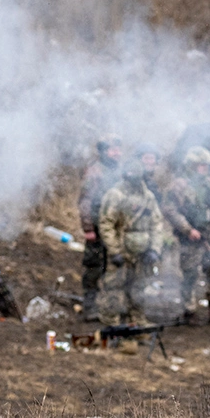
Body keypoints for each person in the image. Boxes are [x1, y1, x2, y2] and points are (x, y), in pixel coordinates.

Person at [162, 147, 210, 325]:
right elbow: (170, 211)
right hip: (189, 237)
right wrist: (187, 229)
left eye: (206, 165)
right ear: (191, 165)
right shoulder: (179, 185)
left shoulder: (208, 183)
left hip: (208, 235)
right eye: (201, 165)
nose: (204, 169)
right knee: (190, 273)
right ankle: (188, 310)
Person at [99, 159, 167, 327]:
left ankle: (137, 321)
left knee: (139, 288)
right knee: (114, 288)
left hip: (142, 252)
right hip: (122, 248)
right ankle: (112, 325)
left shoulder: (148, 197)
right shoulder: (115, 195)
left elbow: (157, 224)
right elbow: (106, 223)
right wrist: (114, 250)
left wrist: (154, 249)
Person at [77, 136, 123, 321]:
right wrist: (88, 227)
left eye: (118, 149)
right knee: (94, 266)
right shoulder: (95, 172)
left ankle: (111, 305)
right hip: (97, 227)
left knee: (114, 267)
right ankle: (90, 307)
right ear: (104, 152)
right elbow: (85, 201)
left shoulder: (120, 172)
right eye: (112, 150)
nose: (116, 153)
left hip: (115, 228)